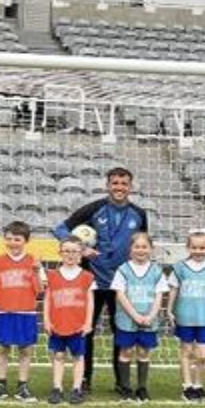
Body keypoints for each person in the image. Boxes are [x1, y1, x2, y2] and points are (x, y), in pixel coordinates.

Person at [52, 166, 148, 395]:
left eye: (124, 184)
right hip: (92, 283)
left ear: (130, 187)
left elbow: (141, 243)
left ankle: (121, 381)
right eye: (115, 183)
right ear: (107, 186)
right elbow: (60, 229)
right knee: (86, 330)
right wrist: (81, 248)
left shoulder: (139, 214)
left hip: (122, 284)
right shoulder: (94, 209)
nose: (119, 187)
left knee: (121, 331)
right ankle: (84, 379)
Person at [0, 220, 45, 403]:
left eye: (17, 239)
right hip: (5, 311)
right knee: (2, 348)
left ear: (26, 241)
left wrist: (36, 272)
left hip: (26, 312)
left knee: (25, 350)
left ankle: (22, 386)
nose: (13, 243)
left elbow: (40, 290)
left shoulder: (33, 261)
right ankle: (1, 385)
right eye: (9, 239)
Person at [165, 229, 205, 403]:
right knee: (186, 351)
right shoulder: (180, 268)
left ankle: (199, 385)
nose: (198, 251)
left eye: (202, 248)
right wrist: (169, 310)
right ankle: (187, 387)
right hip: (185, 317)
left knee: (203, 354)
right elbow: (173, 290)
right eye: (194, 247)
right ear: (188, 248)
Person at [111, 231, 168, 403]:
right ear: (130, 249)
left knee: (143, 352)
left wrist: (151, 315)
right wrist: (135, 315)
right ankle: (125, 387)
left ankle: (142, 388)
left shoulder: (156, 271)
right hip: (127, 319)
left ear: (151, 249)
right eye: (137, 247)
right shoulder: (123, 270)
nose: (140, 250)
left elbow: (159, 296)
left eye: (144, 247)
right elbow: (120, 294)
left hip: (149, 319)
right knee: (126, 351)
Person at [44, 237, 95, 405]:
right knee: (58, 355)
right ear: (60, 253)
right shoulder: (52, 275)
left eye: (74, 251)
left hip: (78, 324)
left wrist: (88, 322)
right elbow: (48, 299)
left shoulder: (87, 276)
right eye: (66, 251)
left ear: (81, 254)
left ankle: (76, 388)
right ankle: (57, 388)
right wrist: (46, 320)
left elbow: (90, 301)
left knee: (78, 357)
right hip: (58, 323)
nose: (70, 254)